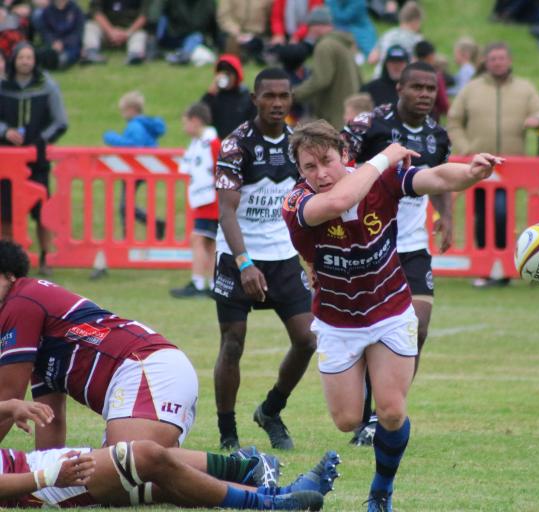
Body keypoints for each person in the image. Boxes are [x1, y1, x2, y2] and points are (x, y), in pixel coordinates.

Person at [283, 120, 501, 510]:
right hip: (337, 322)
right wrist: (385, 156)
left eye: (327, 161)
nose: (320, 174)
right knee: (347, 420)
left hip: (389, 310)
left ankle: (381, 491)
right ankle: (366, 368)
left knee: (391, 410)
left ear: (345, 156)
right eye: (309, 167)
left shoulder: (381, 180)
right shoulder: (297, 202)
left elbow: (433, 177)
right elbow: (337, 203)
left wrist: (470, 173)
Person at [342, 61, 453, 446]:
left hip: (412, 247)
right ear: (399, 88)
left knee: (417, 329)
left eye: (430, 88)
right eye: (417, 87)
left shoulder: (437, 135)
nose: (425, 94)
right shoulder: (368, 125)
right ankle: (366, 412)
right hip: (372, 247)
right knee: (370, 336)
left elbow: (440, 176)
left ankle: (386, 415)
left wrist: (446, 216)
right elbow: (338, 166)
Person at [0, 240, 198, 448]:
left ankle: (232, 467)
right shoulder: (42, 335)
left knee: (122, 466)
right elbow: (49, 419)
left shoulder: (20, 300)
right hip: (154, 369)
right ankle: (229, 469)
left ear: (10, 275)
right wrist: (47, 475)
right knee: (132, 473)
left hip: (145, 368)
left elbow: (9, 396)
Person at [212, 68, 316, 451]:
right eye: (269, 96)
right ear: (254, 99)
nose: (277, 103)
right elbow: (226, 212)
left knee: (307, 339)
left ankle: (271, 410)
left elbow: (311, 201)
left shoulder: (298, 143)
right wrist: (244, 263)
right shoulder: (235, 145)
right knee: (233, 344)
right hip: (238, 257)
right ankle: (228, 434)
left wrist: (312, 257)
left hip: (283, 257)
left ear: (291, 99)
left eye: (283, 96)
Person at [0, 400, 338, 511]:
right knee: (145, 455)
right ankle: (263, 498)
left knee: (166, 484)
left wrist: (10, 406)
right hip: (36, 484)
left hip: (35, 467)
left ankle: (281, 495)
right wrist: (47, 478)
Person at [447, 41, 539, 287]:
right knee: (481, 215)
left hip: (510, 169)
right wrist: (465, 148)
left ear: (509, 61)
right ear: (486, 61)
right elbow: (453, 120)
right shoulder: (471, 89)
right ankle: (487, 268)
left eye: (502, 58)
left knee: (502, 213)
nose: (497, 62)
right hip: (479, 167)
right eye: (493, 58)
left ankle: (503, 266)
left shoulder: (524, 88)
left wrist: (537, 119)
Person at [0, 42, 67, 276]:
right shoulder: (2, 85)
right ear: (14, 60)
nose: (26, 62)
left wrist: (40, 140)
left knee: (42, 210)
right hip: (6, 160)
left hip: (36, 158)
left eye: (30, 57)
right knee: (6, 211)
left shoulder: (46, 85)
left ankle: (45, 257)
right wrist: (5, 132)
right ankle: (9, 259)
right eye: (22, 58)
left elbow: (60, 121)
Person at [170, 103, 221, 299]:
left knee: (200, 239)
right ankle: (211, 284)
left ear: (195, 121)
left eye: (186, 122)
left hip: (211, 200)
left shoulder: (213, 143)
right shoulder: (198, 143)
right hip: (203, 200)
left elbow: (221, 170)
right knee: (208, 242)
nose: (184, 127)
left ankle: (201, 284)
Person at [103, 90, 166, 244]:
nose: (122, 114)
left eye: (123, 111)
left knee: (125, 206)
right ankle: (151, 226)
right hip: (139, 170)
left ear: (131, 110)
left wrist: (112, 138)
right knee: (126, 205)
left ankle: (132, 236)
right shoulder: (142, 124)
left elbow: (134, 146)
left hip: (134, 171)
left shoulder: (134, 126)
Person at [293, 6, 361, 130]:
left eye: (310, 27)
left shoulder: (324, 46)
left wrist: (293, 95)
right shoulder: (343, 44)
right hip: (348, 111)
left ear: (317, 26)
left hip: (334, 116)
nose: (309, 32)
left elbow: (321, 79)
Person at [199, 54, 256, 140]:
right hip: (218, 145)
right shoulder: (214, 97)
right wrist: (210, 94)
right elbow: (199, 117)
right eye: (221, 74)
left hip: (240, 144)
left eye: (229, 74)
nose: (226, 78)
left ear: (237, 75)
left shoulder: (247, 98)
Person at [149, 0, 217, 65]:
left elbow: (213, 26)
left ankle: (183, 55)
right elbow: (154, 16)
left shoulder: (208, 3)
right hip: (171, 36)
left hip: (193, 40)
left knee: (197, 37)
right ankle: (159, 50)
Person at [81, 0, 150, 65]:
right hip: (106, 30)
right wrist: (110, 31)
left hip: (129, 31)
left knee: (140, 34)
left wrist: (127, 34)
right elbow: (96, 12)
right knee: (90, 26)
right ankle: (91, 52)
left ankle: (135, 55)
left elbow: (144, 16)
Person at [367, 1, 423, 79]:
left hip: (379, 78)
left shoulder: (387, 34)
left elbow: (372, 59)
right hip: (403, 81)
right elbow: (418, 64)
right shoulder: (417, 39)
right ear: (416, 21)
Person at [216, 0, 273, 64]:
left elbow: (271, 18)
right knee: (224, 39)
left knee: (256, 43)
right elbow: (224, 16)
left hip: (256, 34)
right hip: (232, 32)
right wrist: (235, 31)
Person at [34, 0, 84, 70]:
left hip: (70, 43)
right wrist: (53, 42)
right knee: (46, 51)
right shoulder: (47, 11)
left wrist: (63, 43)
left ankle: (61, 61)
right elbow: (46, 31)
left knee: (73, 51)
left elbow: (77, 32)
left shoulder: (76, 10)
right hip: (53, 44)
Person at [413, 40, 449, 121]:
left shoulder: (409, 75)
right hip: (429, 121)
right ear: (430, 56)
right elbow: (444, 104)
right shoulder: (435, 77)